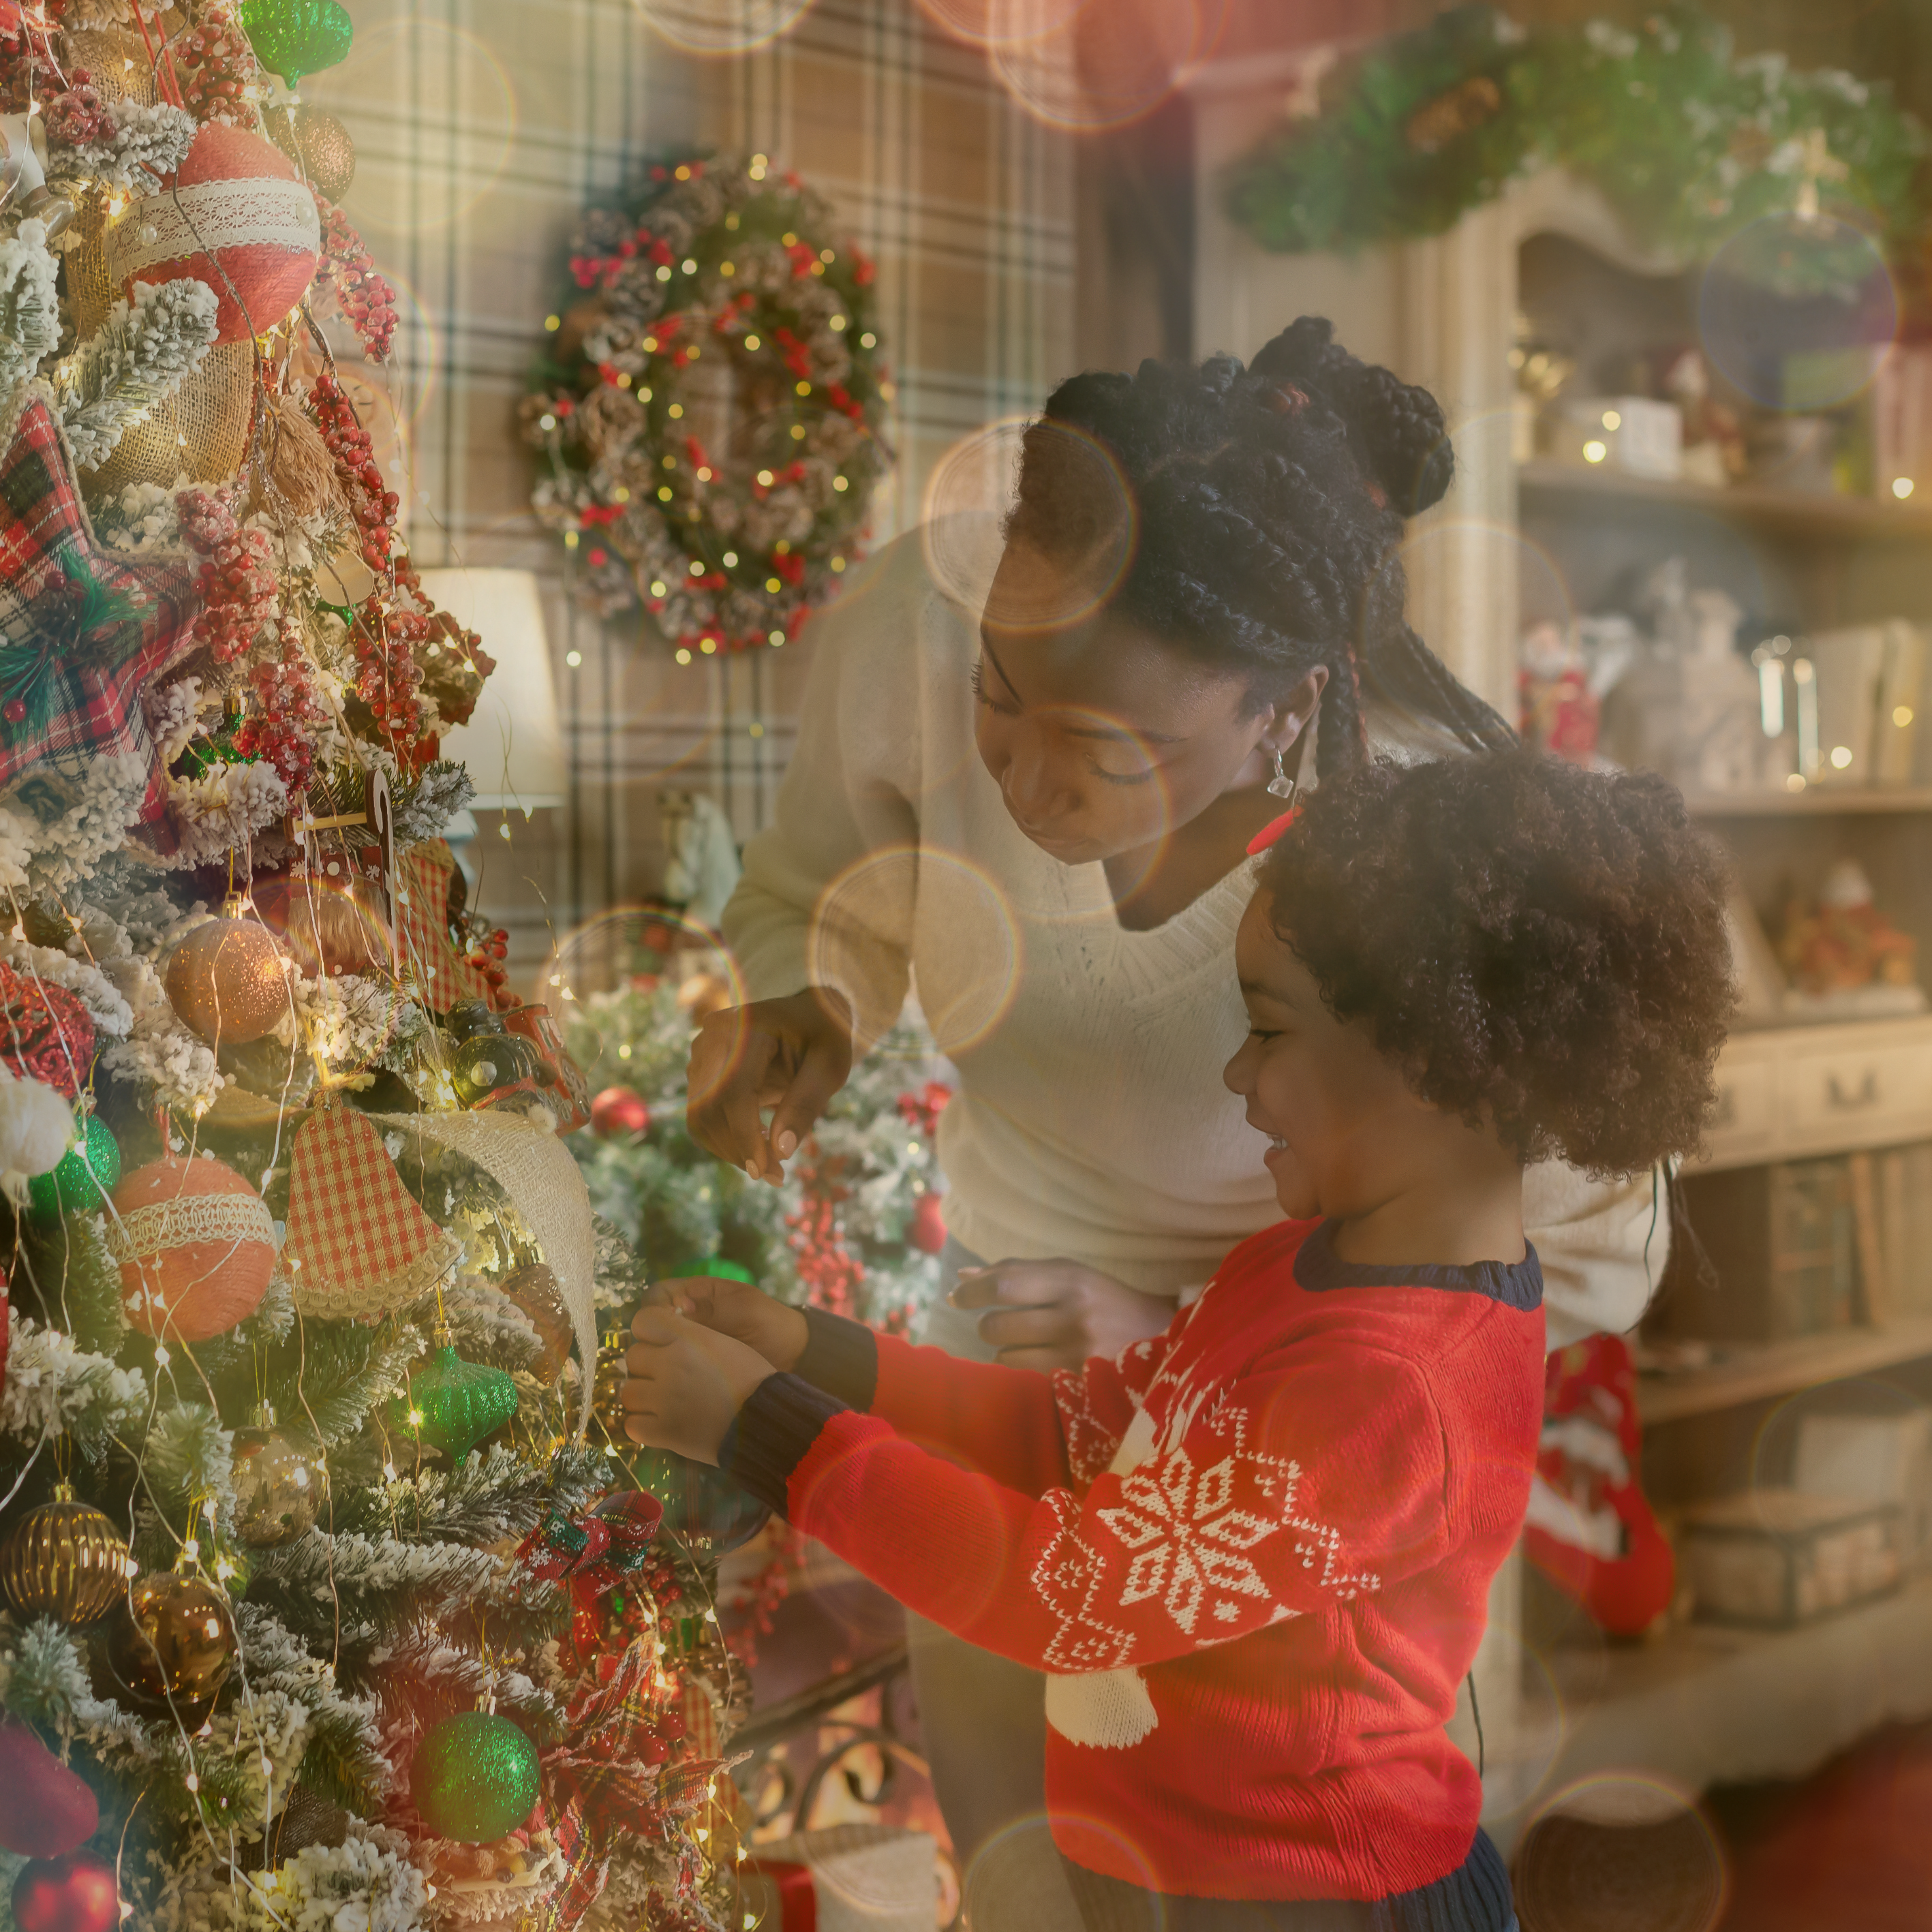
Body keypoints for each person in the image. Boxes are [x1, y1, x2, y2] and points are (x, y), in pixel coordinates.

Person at [688, 319, 1670, 1916]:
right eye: (1003, 699)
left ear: (1284, 713)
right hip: (1048, 1361)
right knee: (1027, 1886)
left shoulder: (1428, 852)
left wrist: (1220, 1343)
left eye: (1103, 747)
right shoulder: (925, 620)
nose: (1015, 776)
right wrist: (806, 1000)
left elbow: (1588, 1242)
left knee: (1262, 1862)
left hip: (1318, 1425)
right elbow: (821, 882)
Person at [627, 750, 1736, 1932]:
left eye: (1266, 1032)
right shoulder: (1296, 1262)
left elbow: (1068, 1590)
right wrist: (813, 1350)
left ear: (1430, 1063)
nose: (1237, 1075)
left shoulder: (1395, 1390)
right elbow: (1081, 1438)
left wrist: (764, 1429)